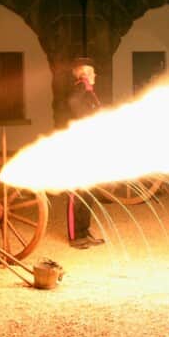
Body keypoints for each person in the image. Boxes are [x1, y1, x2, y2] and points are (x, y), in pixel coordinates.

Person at [65, 57, 105, 249]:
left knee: (89, 192)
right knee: (76, 194)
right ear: (84, 75)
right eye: (91, 72)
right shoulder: (78, 91)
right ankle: (75, 236)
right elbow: (73, 103)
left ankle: (85, 231)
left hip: (91, 149)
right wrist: (83, 85)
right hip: (76, 151)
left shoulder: (90, 94)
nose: (94, 75)